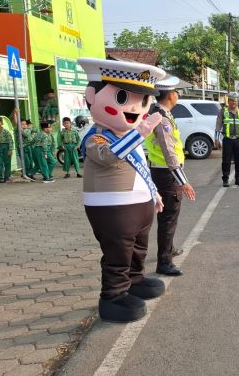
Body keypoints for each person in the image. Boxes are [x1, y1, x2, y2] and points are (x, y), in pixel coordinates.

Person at [78, 57, 166, 323]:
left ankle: (135, 279)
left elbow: (142, 169)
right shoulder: (96, 136)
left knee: (139, 247)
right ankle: (113, 296)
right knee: (118, 251)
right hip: (112, 207)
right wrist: (138, 133)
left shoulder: (132, 137)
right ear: (92, 96)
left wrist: (154, 194)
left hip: (140, 206)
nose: (134, 108)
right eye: (122, 98)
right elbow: (106, 157)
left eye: (142, 101)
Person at [145, 77, 196, 277]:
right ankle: (164, 262)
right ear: (170, 95)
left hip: (163, 171)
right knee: (168, 219)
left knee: (168, 217)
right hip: (166, 174)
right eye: (176, 92)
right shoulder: (162, 118)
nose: (178, 95)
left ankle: (169, 249)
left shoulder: (161, 114)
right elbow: (169, 153)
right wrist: (184, 181)